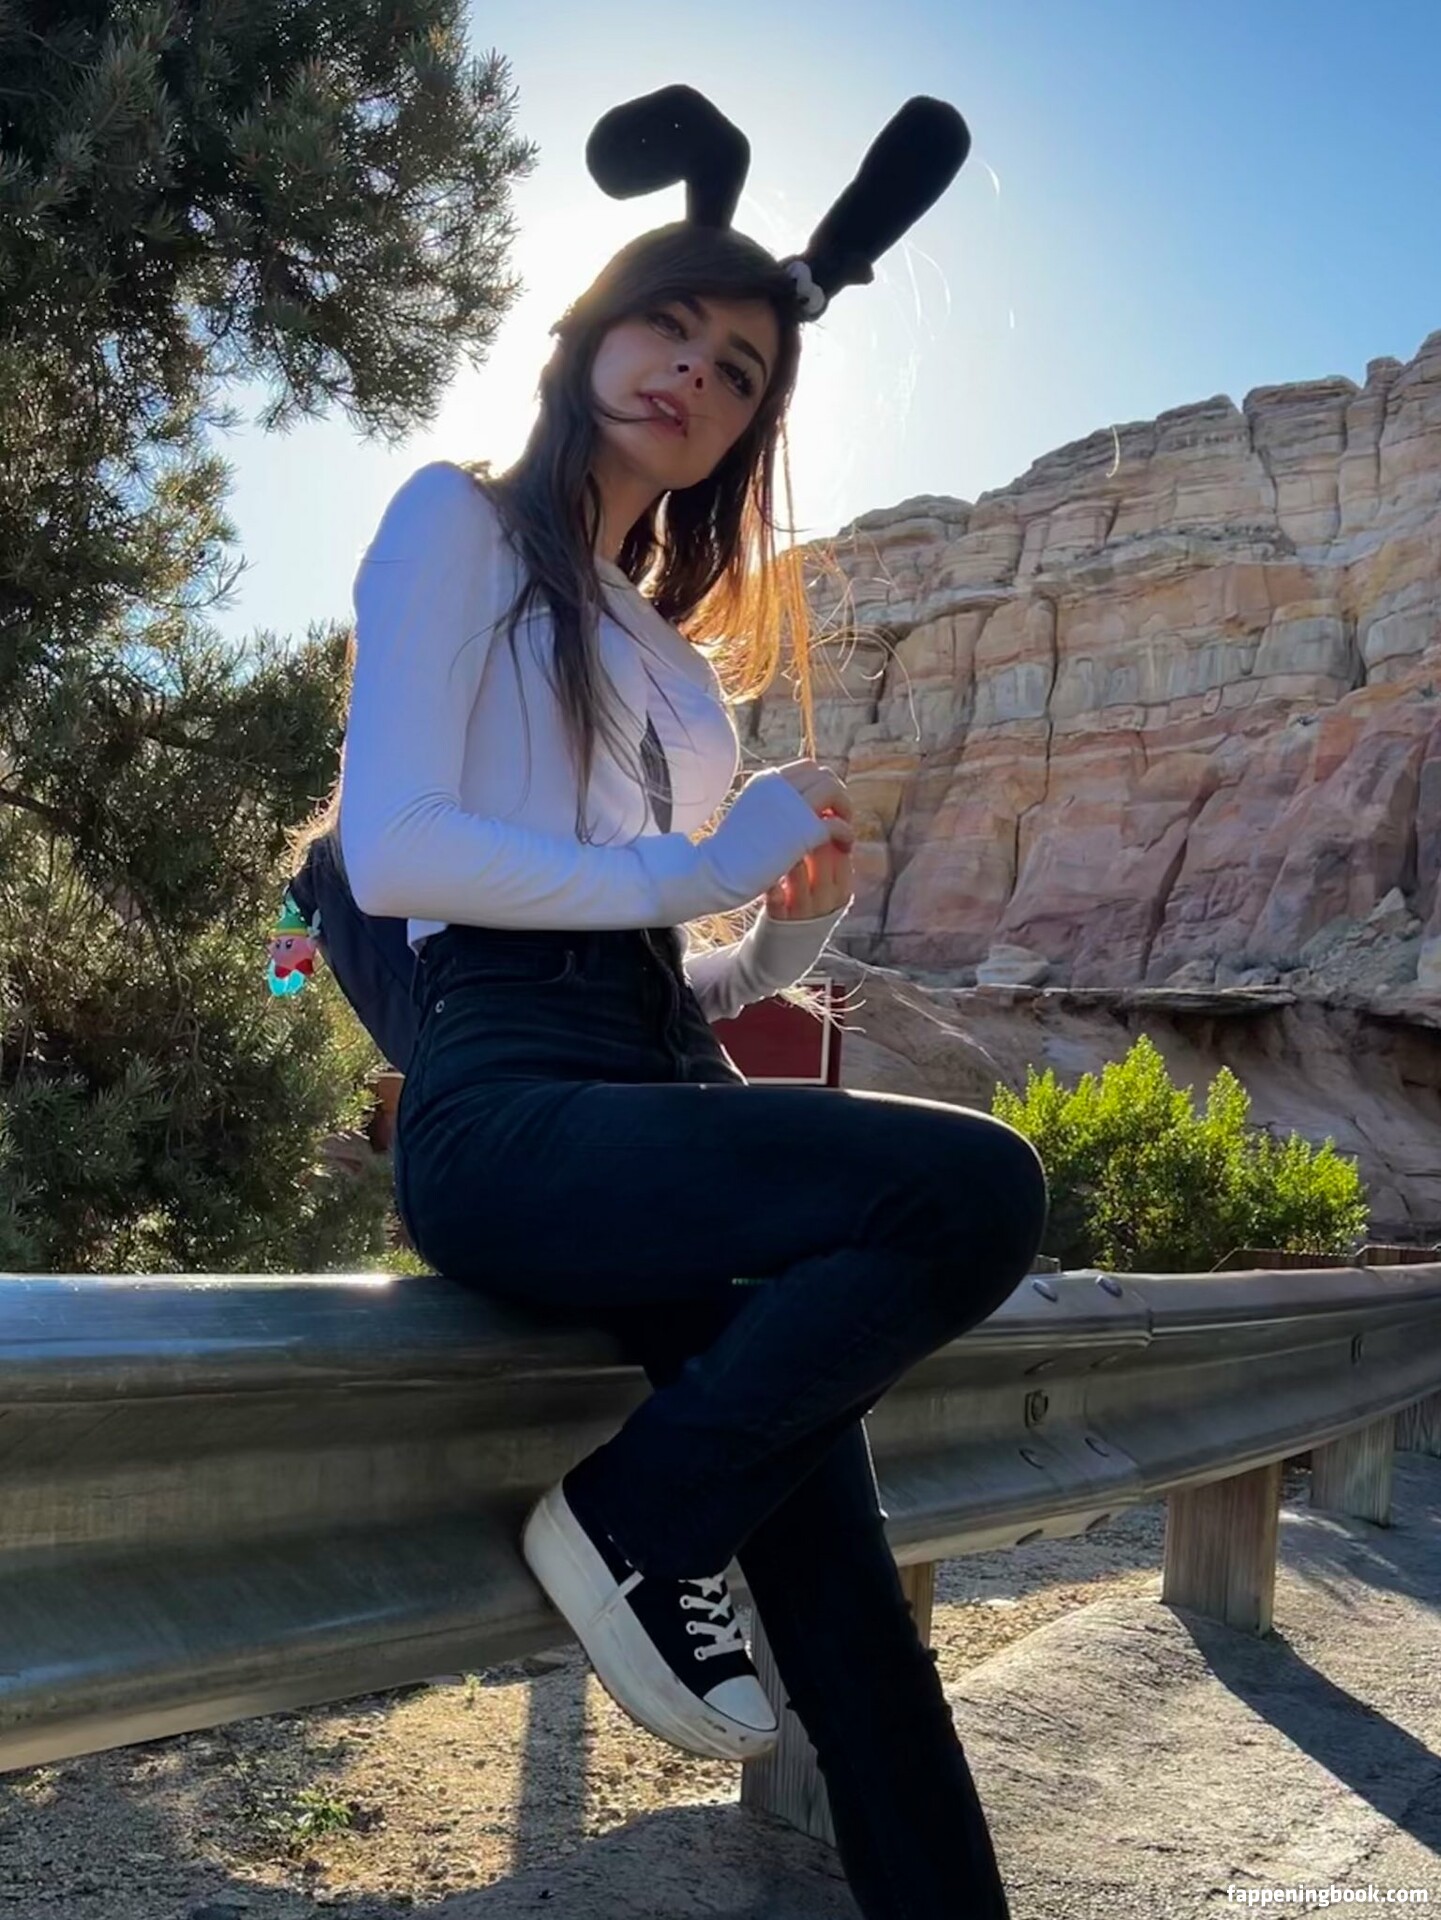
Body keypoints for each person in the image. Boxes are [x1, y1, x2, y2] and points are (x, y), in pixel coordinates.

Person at [322, 86, 1049, 1920]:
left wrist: (787, 928)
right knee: (973, 1190)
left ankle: (675, 1544)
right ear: (591, 329)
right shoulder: (456, 524)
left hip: (660, 1096)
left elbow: (687, 981)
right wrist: (699, 865)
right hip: (511, 1110)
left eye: (737, 369)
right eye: (670, 325)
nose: (693, 378)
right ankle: (636, 1519)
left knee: (848, 1603)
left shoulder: (680, 670)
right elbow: (395, 853)